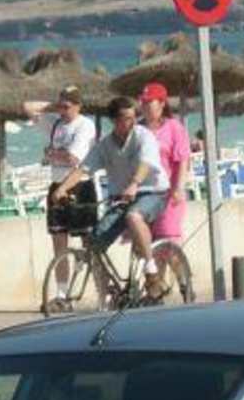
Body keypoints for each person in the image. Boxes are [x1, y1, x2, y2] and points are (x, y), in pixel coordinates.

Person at [54, 95, 165, 289]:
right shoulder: (105, 145)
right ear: (114, 120)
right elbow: (83, 169)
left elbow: (146, 163)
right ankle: (106, 294)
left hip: (151, 192)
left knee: (133, 216)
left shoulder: (143, 136)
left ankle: (151, 270)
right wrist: (62, 188)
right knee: (93, 244)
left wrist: (134, 184)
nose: (132, 122)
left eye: (134, 117)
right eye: (126, 118)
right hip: (122, 198)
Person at [41, 85, 98, 293]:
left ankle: (102, 291)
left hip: (79, 185)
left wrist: (51, 154)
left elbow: (74, 158)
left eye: (67, 107)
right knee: (58, 242)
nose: (62, 111)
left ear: (78, 106)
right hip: (56, 184)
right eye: (60, 106)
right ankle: (62, 292)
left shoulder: (85, 125)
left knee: (89, 242)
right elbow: (28, 107)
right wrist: (54, 106)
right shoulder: (56, 123)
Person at [140, 82, 191, 257]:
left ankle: (182, 275)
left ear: (162, 103)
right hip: (144, 194)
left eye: (149, 102)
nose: (145, 106)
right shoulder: (138, 130)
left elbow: (183, 159)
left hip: (168, 194)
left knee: (168, 245)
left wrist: (179, 188)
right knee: (147, 250)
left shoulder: (173, 127)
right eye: (143, 102)